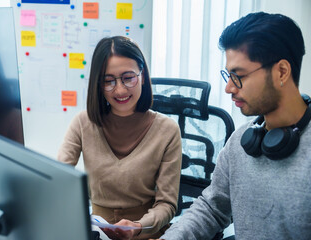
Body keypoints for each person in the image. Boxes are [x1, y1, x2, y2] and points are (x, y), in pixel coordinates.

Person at [154, 12, 311, 240]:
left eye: (239, 75)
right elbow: (212, 208)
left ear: (282, 72)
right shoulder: (240, 140)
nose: (229, 88)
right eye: (228, 75)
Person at [57, 36, 182, 240]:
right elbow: (58, 177)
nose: (120, 89)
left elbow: (167, 204)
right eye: (108, 81)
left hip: (146, 234)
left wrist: (138, 226)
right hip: (96, 233)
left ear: (142, 76)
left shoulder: (167, 130)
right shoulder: (83, 123)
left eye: (128, 77)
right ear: (98, 84)